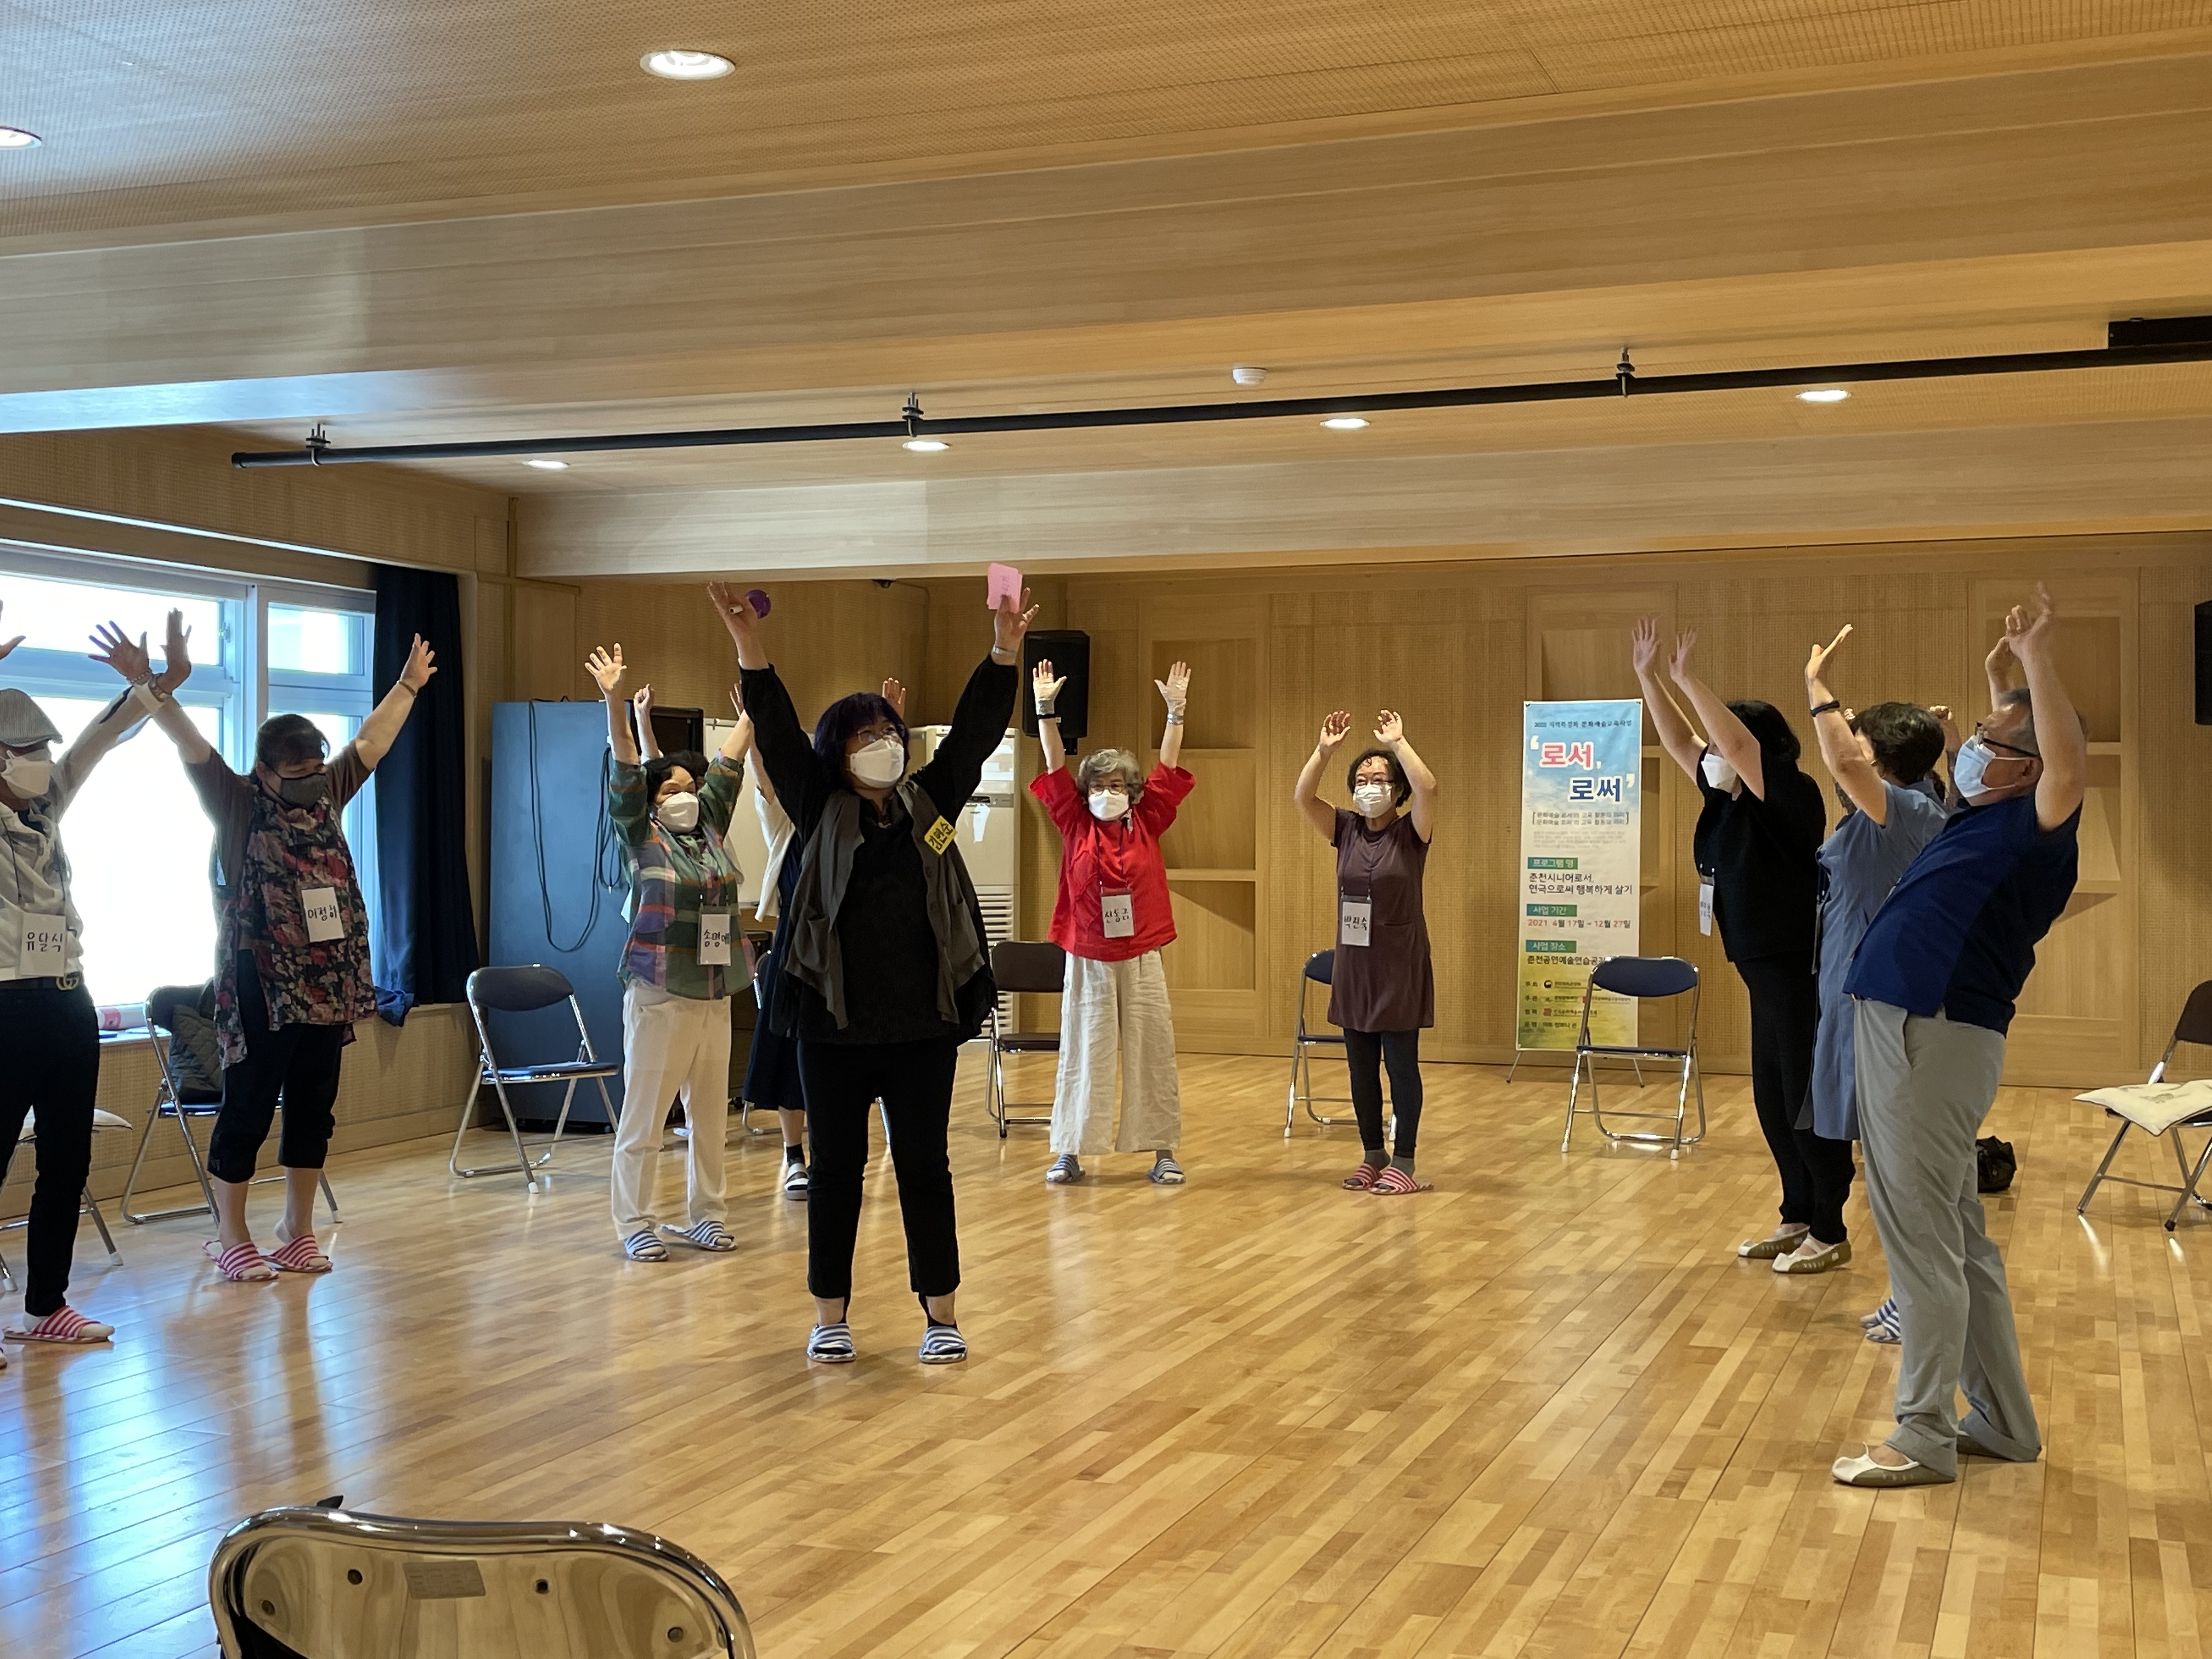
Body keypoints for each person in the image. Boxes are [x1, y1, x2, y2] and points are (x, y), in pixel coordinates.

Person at [715, 580, 1030, 1365]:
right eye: (867, 735)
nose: (884, 743)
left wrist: (1003, 653)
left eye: (890, 731)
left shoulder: (931, 804)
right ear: (839, 752)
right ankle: (831, 1316)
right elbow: (777, 731)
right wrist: (751, 647)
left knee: (926, 1169)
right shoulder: (818, 805)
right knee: (836, 1173)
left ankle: (941, 1315)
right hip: (833, 1028)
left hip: (922, 1027)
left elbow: (974, 738)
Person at [1831, 584, 2084, 1488]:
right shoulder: (1981, 815)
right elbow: (2015, 738)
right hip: (1908, 1024)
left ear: (2024, 765)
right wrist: (2000, 674)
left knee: (1921, 1239)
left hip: (1929, 1031)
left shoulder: (2037, 826)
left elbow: (2063, 760)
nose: (1969, 746)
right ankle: (2005, 1422)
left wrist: (2040, 661)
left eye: (1988, 740)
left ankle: (1922, 1433)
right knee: (1957, 1240)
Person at [141, 613, 435, 1282]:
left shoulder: (328, 793)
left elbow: (372, 742)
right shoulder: (237, 802)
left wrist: (408, 687)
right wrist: (156, 690)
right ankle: (231, 1234)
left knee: (313, 1104)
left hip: (328, 980)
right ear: (264, 771)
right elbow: (191, 745)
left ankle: (296, 1228)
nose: (309, 782)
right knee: (248, 1103)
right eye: (295, 774)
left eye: (314, 771)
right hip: (261, 979)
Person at [1633, 618, 1850, 1273]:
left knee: (1803, 1097)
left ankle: (1831, 1227)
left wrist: (1688, 679)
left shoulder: (1788, 794)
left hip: (1796, 965)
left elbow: (1733, 743)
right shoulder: (1726, 796)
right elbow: (1684, 743)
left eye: (1725, 742)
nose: (1713, 755)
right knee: (1771, 1097)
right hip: (1760, 969)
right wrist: (1648, 678)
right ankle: (1798, 1213)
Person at [0, 605, 190, 1353]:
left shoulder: (46, 807)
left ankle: (45, 1305)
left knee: (67, 1159)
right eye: (24, 750)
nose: (41, 759)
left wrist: (154, 686)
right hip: (4, 1005)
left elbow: (97, 742)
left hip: (66, 1000)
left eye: (40, 747)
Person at [1801, 625, 1950, 1343]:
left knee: (1898, 1164)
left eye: (1860, 745)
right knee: (1886, 1163)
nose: (1846, 754)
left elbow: (1842, 758)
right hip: (1855, 992)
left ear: (1879, 761)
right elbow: (1850, 762)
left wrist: (1817, 688)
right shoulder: (1898, 805)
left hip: (1881, 1003)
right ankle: (1910, 1292)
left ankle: (1918, 1299)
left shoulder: (1907, 810)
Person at [587, 644, 749, 1261]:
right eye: (673, 790)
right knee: (646, 1115)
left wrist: (754, 710)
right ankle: (635, 1220)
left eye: (691, 788)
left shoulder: (710, 830)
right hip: (658, 991)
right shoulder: (640, 834)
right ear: (653, 801)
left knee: (709, 1115)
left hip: (714, 990)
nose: (687, 796)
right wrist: (615, 704)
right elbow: (627, 767)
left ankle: (708, 1213)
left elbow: (730, 764)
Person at [1031, 657, 1194, 1187]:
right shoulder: (1073, 820)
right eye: (1099, 784)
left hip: (1142, 950)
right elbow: (1054, 764)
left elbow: (1168, 768)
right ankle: (1070, 1150)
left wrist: (1175, 713)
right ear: (1086, 791)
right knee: (1085, 1051)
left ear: (1132, 790)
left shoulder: (1149, 818)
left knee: (1153, 1050)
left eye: (1118, 784)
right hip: (1088, 954)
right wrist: (1045, 710)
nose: (1108, 792)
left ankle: (1162, 1151)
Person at [1291, 707, 1438, 1194]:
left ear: (1396, 790)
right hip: (1355, 965)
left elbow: (1429, 788)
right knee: (1360, 1068)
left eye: (1379, 780)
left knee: (1400, 1066)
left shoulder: (1412, 832)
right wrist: (1324, 752)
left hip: (1399, 965)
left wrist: (1398, 744)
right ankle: (1373, 1155)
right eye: (1361, 780)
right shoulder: (1346, 829)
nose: (1369, 786)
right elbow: (1303, 796)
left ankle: (1406, 1162)